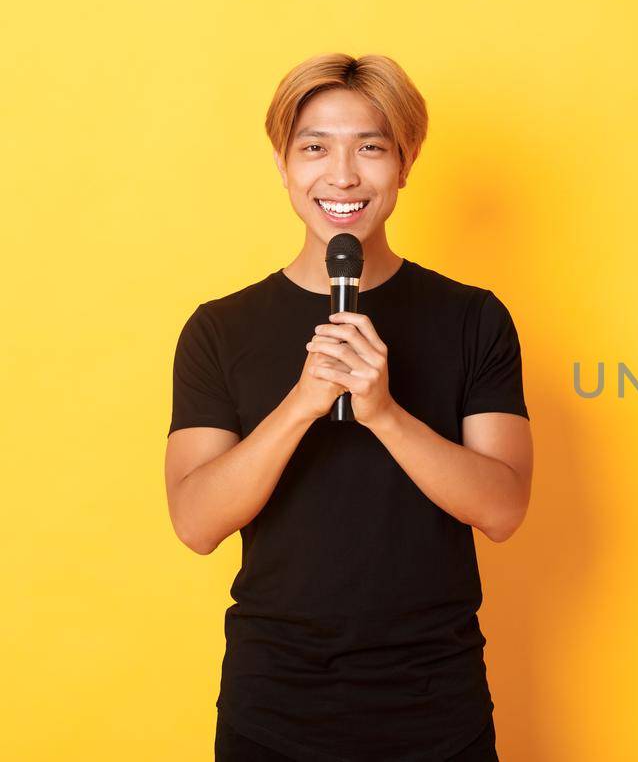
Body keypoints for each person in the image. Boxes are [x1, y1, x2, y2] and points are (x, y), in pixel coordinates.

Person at [163, 53, 532, 761]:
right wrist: (303, 402)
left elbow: (504, 508)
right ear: (282, 164)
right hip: (272, 710)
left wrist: (386, 414)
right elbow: (196, 522)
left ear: (405, 161)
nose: (342, 175)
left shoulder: (473, 319)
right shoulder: (220, 329)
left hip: (436, 708)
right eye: (314, 148)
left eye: (370, 147)